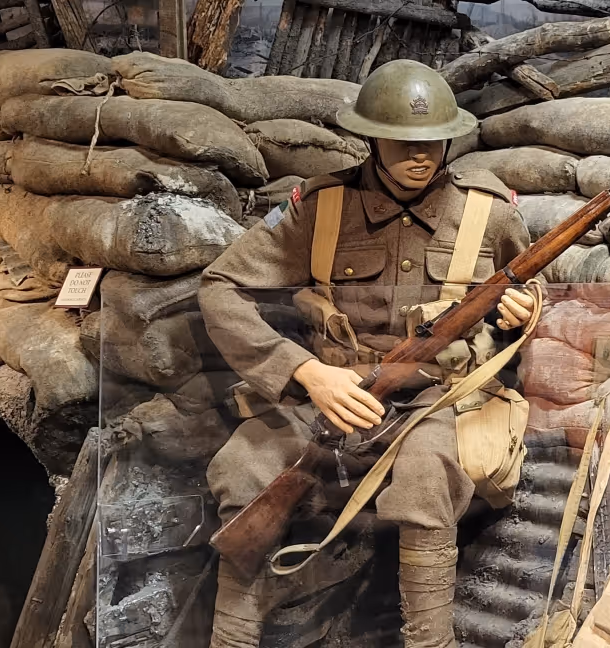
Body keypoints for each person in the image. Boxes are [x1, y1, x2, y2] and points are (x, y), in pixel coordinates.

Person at [198, 59, 537, 648]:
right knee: (246, 465)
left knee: (427, 473)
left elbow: (535, 286)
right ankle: (231, 637)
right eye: (402, 141)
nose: (419, 155)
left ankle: (429, 640)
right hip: (330, 395)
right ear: (369, 137)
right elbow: (219, 287)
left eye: (433, 141)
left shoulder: (490, 211)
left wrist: (524, 312)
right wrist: (303, 371)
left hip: (439, 398)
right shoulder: (320, 206)